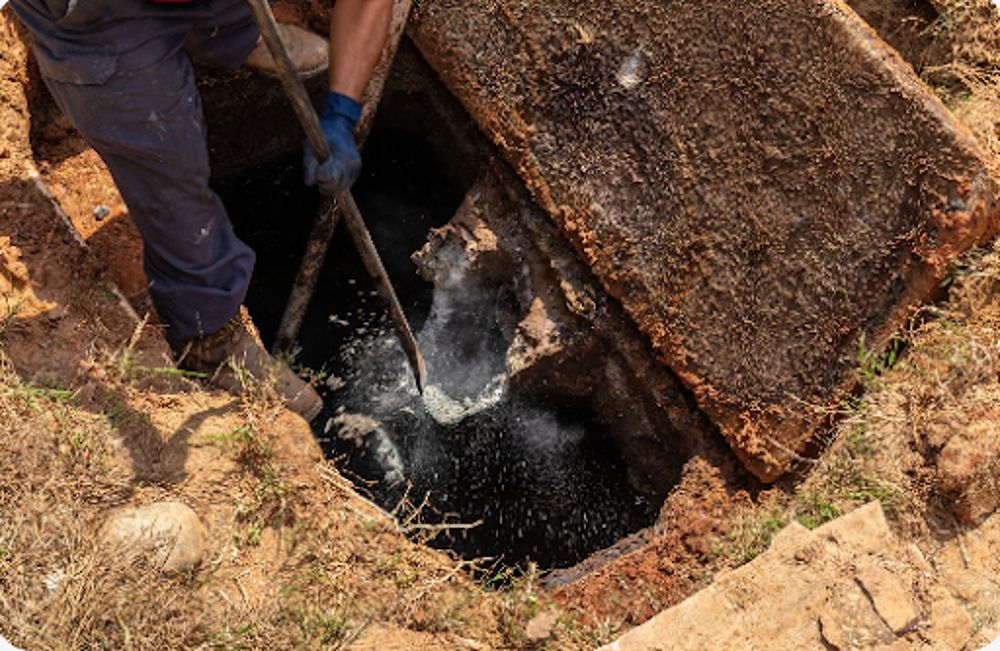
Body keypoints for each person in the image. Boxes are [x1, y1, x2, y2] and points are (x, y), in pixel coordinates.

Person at [7, 0, 394, 422]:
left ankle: (224, 30)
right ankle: (209, 336)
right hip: (99, 15)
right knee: (163, 157)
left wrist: (342, 111)